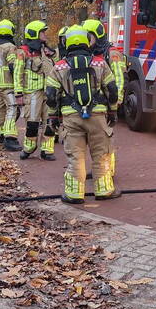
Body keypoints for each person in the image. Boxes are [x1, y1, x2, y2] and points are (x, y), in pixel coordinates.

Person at [45, 26, 121, 204]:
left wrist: (52, 117)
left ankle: (74, 194)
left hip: (71, 118)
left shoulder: (59, 67)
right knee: (101, 154)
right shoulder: (100, 63)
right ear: (87, 41)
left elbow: (50, 95)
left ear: (67, 42)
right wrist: (113, 111)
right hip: (97, 116)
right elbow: (112, 90)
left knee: (76, 157)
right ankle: (103, 190)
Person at [82, 18, 126, 178]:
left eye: (89, 37)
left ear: (97, 36)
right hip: (96, 104)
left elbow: (119, 80)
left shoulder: (112, 54)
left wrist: (116, 102)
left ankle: (108, 171)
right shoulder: (90, 54)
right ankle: (97, 168)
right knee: (95, 140)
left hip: (108, 103)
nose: (86, 41)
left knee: (106, 140)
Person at [14, 20, 56, 160]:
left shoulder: (47, 51)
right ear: (34, 34)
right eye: (42, 32)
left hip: (48, 92)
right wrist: (18, 94)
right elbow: (17, 73)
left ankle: (47, 150)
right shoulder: (23, 52)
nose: (45, 35)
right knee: (32, 122)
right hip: (32, 93)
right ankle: (29, 148)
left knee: (49, 121)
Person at [0, 19, 21, 151]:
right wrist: (19, 84)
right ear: (10, 31)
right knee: (12, 108)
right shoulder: (10, 47)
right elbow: (14, 66)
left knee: (0, 109)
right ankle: (10, 138)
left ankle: (1, 134)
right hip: (8, 85)